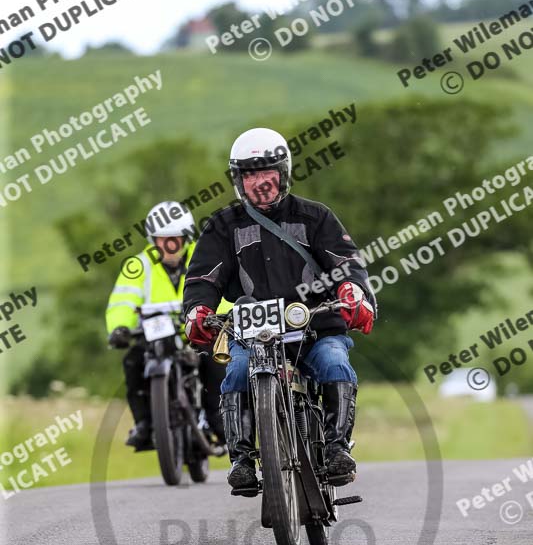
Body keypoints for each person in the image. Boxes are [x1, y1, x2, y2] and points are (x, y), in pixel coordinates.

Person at [183, 128, 376, 496]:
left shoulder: (316, 217)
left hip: (316, 325)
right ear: (238, 180)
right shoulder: (222, 226)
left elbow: (347, 262)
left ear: (283, 172)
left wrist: (352, 290)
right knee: (237, 370)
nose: (260, 182)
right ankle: (241, 460)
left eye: (267, 172)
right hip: (253, 332)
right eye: (249, 174)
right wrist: (196, 310)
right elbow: (202, 276)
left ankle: (337, 449)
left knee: (336, 363)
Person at [106, 200, 227, 450]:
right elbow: (122, 300)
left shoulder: (204, 256)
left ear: (186, 237)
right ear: (153, 239)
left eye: (175, 238)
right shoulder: (137, 265)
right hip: (155, 335)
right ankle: (145, 424)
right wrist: (119, 328)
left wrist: (220, 318)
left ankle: (220, 422)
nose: (169, 245)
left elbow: (220, 293)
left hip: (198, 332)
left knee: (215, 363)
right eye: (162, 239)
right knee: (132, 362)